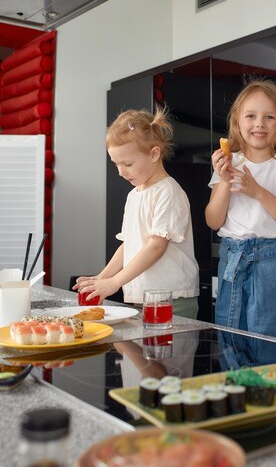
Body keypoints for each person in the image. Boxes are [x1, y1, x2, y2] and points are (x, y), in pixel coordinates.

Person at [205, 78, 276, 346]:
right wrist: (223, 180)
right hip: (232, 257)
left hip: (271, 262)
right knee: (230, 340)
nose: (259, 124)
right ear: (238, 122)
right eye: (251, 116)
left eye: (269, 117)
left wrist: (258, 192)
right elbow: (213, 220)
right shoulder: (230, 163)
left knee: (269, 344)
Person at [76, 107, 199, 318]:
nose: (121, 172)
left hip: (171, 298)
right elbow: (129, 244)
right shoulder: (134, 195)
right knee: (143, 351)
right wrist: (101, 278)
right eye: (116, 164)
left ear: (154, 154)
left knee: (167, 351)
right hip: (141, 296)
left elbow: (156, 246)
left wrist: (115, 282)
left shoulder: (168, 192)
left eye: (128, 164)